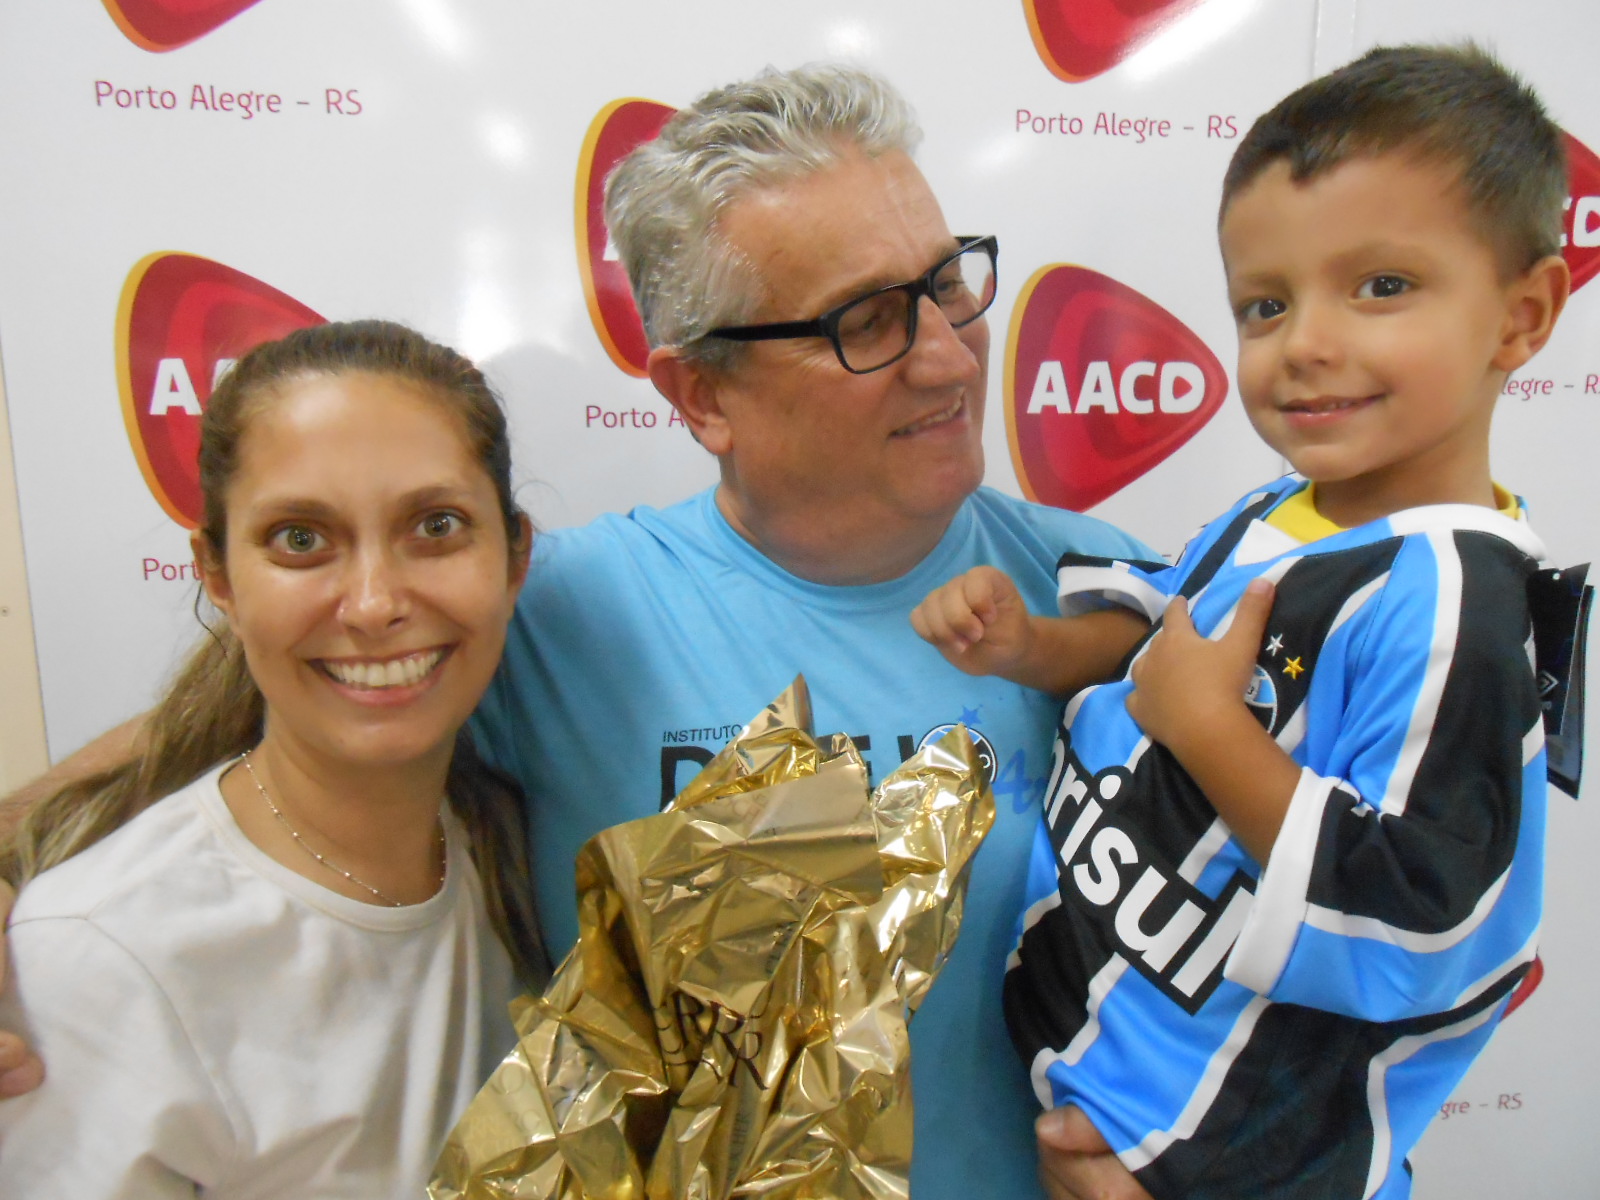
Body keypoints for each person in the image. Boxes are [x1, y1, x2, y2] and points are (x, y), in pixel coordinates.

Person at [0, 66, 1151, 1198]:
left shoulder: (1112, 597)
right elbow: (238, 732)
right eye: (864, 322)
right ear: (701, 396)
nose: (949, 355)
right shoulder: (556, 610)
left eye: (948, 284)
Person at [913, 45, 1573, 1199]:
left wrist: (1210, 732)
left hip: (1219, 1155)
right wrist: (1029, 647)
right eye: (1264, 304)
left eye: (1381, 287)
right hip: (1095, 1054)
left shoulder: (1455, 603)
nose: (1304, 343)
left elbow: (1424, 920)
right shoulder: (1283, 507)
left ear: (1520, 316)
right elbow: (1156, 640)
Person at [0, 321, 547, 1196]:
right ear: (217, 575)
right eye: (301, 539)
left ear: (516, 555)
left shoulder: (513, 840)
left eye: (435, 526)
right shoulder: (104, 958)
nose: (374, 604)